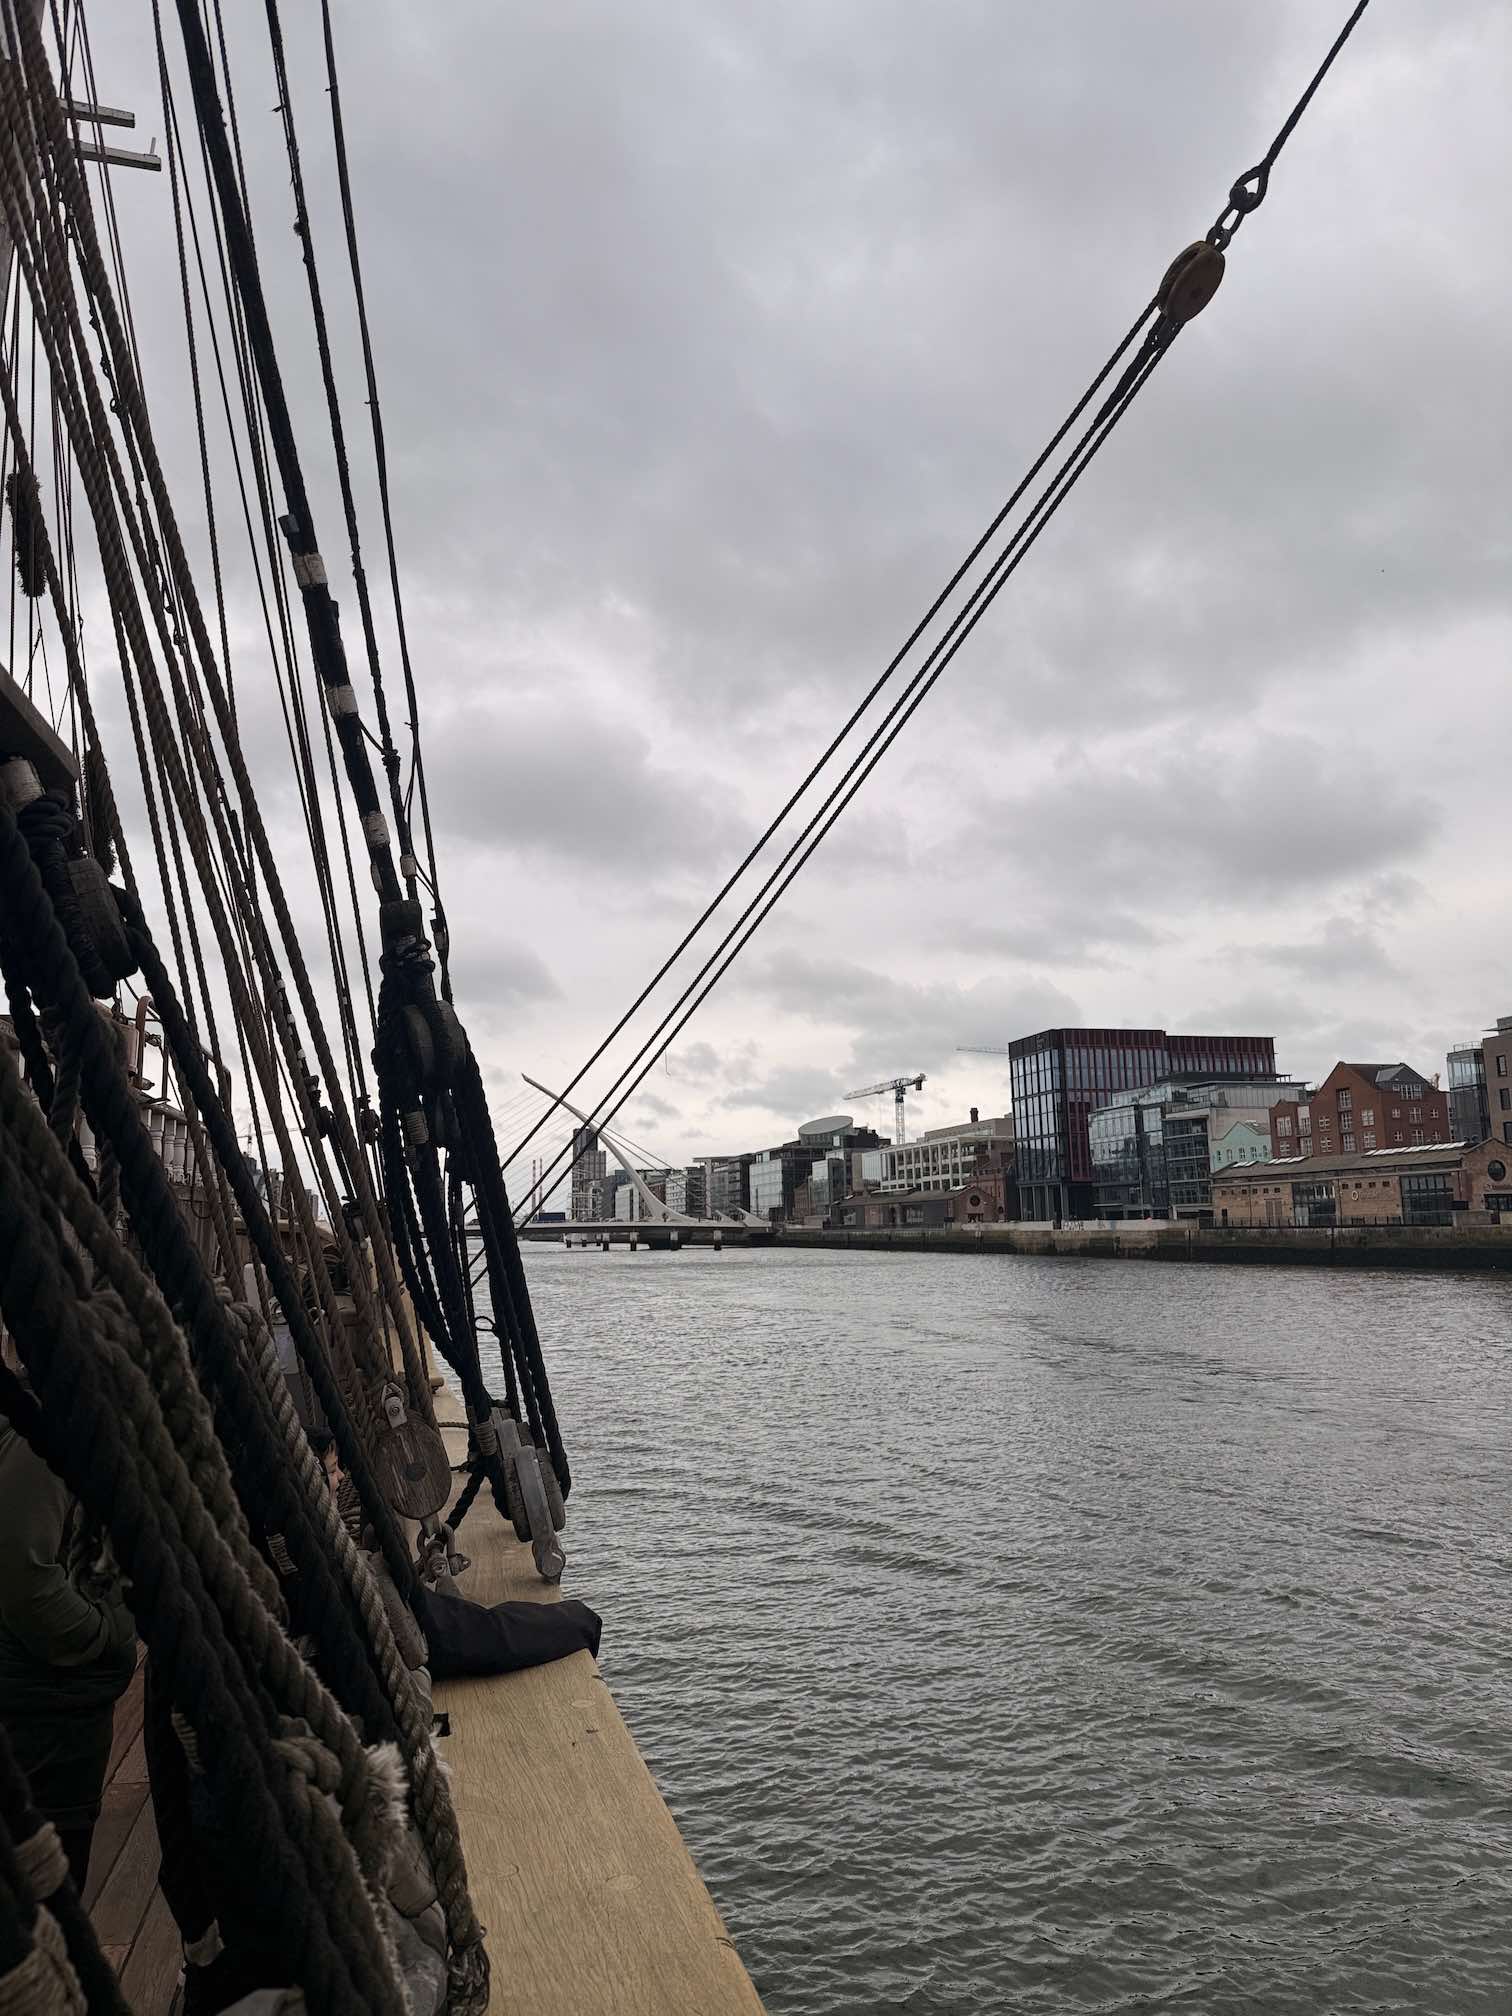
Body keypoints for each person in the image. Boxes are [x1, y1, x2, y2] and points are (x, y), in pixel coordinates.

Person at [0, 1407, 136, 1890]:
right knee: (53, 1896)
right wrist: (105, 1636)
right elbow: (24, 1578)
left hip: (57, 1716)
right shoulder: (49, 1431)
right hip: (47, 1720)